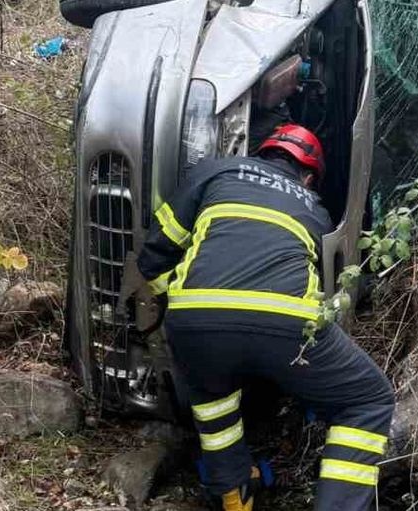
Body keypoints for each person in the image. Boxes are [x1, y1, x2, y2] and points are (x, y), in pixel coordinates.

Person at [125, 124, 395, 511]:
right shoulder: (313, 208)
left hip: (196, 322)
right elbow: (326, 284)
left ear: (262, 153)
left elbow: (156, 249)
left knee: (212, 399)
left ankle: (234, 498)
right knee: (368, 399)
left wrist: (179, 303)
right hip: (285, 322)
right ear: (308, 176)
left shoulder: (215, 171)